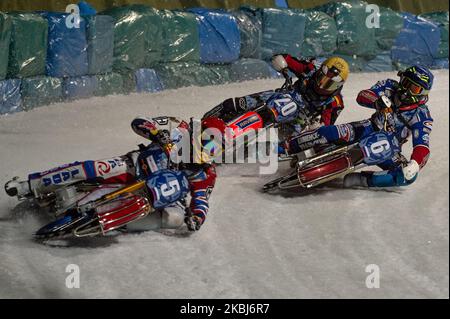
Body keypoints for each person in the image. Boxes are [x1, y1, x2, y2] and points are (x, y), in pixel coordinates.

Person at [5, 116, 217, 232]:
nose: (201, 157)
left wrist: (197, 217)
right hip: (131, 166)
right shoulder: (176, 127)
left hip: (154, 194)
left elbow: (201, 200)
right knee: (95, 167)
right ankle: (29, 185)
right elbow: (139, 122)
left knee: (176, 218)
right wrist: (154, 133)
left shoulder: (207, 173)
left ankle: (123, 223)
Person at [283, 65, 434, 188]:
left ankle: (363, 180)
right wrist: (377, 101)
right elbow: (363, 95)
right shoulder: (388, 86)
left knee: (406, 178)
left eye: (413, 89)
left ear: (423, 93)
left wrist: (415, 164)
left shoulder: (422, 115)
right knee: (328, 132)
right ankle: (287, 146)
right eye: (406, 83)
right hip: (368, 127)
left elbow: (422, 145)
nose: (406, 91)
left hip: (390, 147)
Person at [208, 55, 349, 130]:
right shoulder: (310, 68)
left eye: (329, 84)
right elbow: (286, 59)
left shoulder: (336, 103)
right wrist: (282, 63)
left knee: (283, 147)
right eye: (321, 78)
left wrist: (317, 127)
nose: (322, 85)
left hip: (299, 119)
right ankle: (205, 122)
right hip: (282, 95)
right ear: (319, 71)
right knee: (234, 104)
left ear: (338, 85)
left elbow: (326, 127)